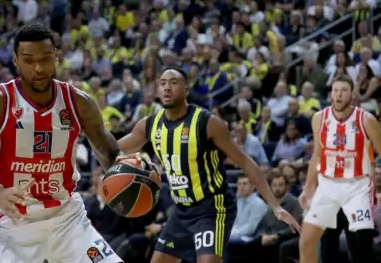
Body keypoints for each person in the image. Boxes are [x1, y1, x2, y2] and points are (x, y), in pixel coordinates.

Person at [0, 23, 124, 263]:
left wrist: (130, 166)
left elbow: (110, 154)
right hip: (15, 226)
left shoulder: (79, 102)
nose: (38, 68)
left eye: (45, 59)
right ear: (16, 61)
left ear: (56, 57)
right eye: (29, 60)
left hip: (68, 221)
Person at [116, 67, 300, 263]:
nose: (167, 87)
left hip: (212, 207)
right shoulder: (150, 125)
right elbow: (114, 150)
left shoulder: (207, 123)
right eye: (162, 83)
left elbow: (245, 162)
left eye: (173, 82)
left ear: (186, 90)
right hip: (181, 209)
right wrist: (94, 132)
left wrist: (275, 206)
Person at [298, 74, 381, 263]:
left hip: (357, 187)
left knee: (361, 248)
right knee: (306, 243)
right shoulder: (319, 118)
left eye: (344, 90)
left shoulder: (366, 120)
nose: (339, 94)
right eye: (335, 90)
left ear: (352, 95)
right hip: (327, 186)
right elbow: (317, 155)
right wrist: (308, 187)